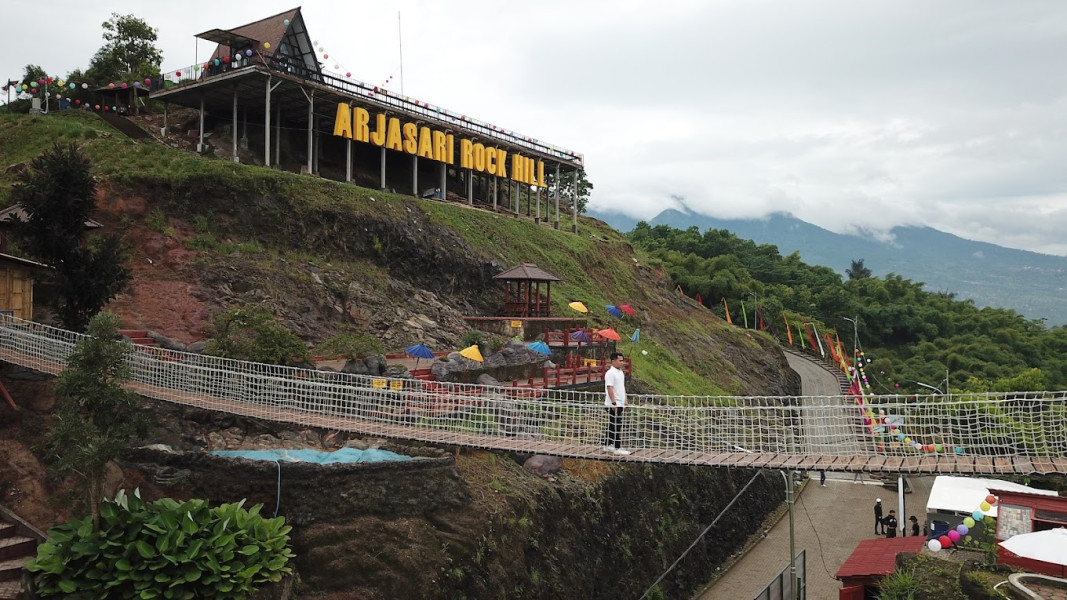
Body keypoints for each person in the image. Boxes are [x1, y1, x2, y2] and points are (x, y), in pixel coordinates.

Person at [603, 352, 630, 456]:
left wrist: (625, 398)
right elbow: (609, 387)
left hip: (620, 402)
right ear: (613, 361)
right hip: (613, 404)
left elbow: (621, 387)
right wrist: (613, 402)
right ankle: (616, 447)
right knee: (616, 425)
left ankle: (607, 444)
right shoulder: (610, 373)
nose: (622, 362)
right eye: (620, 360)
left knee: (612, 424)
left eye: (622, 360)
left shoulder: (620, 372)